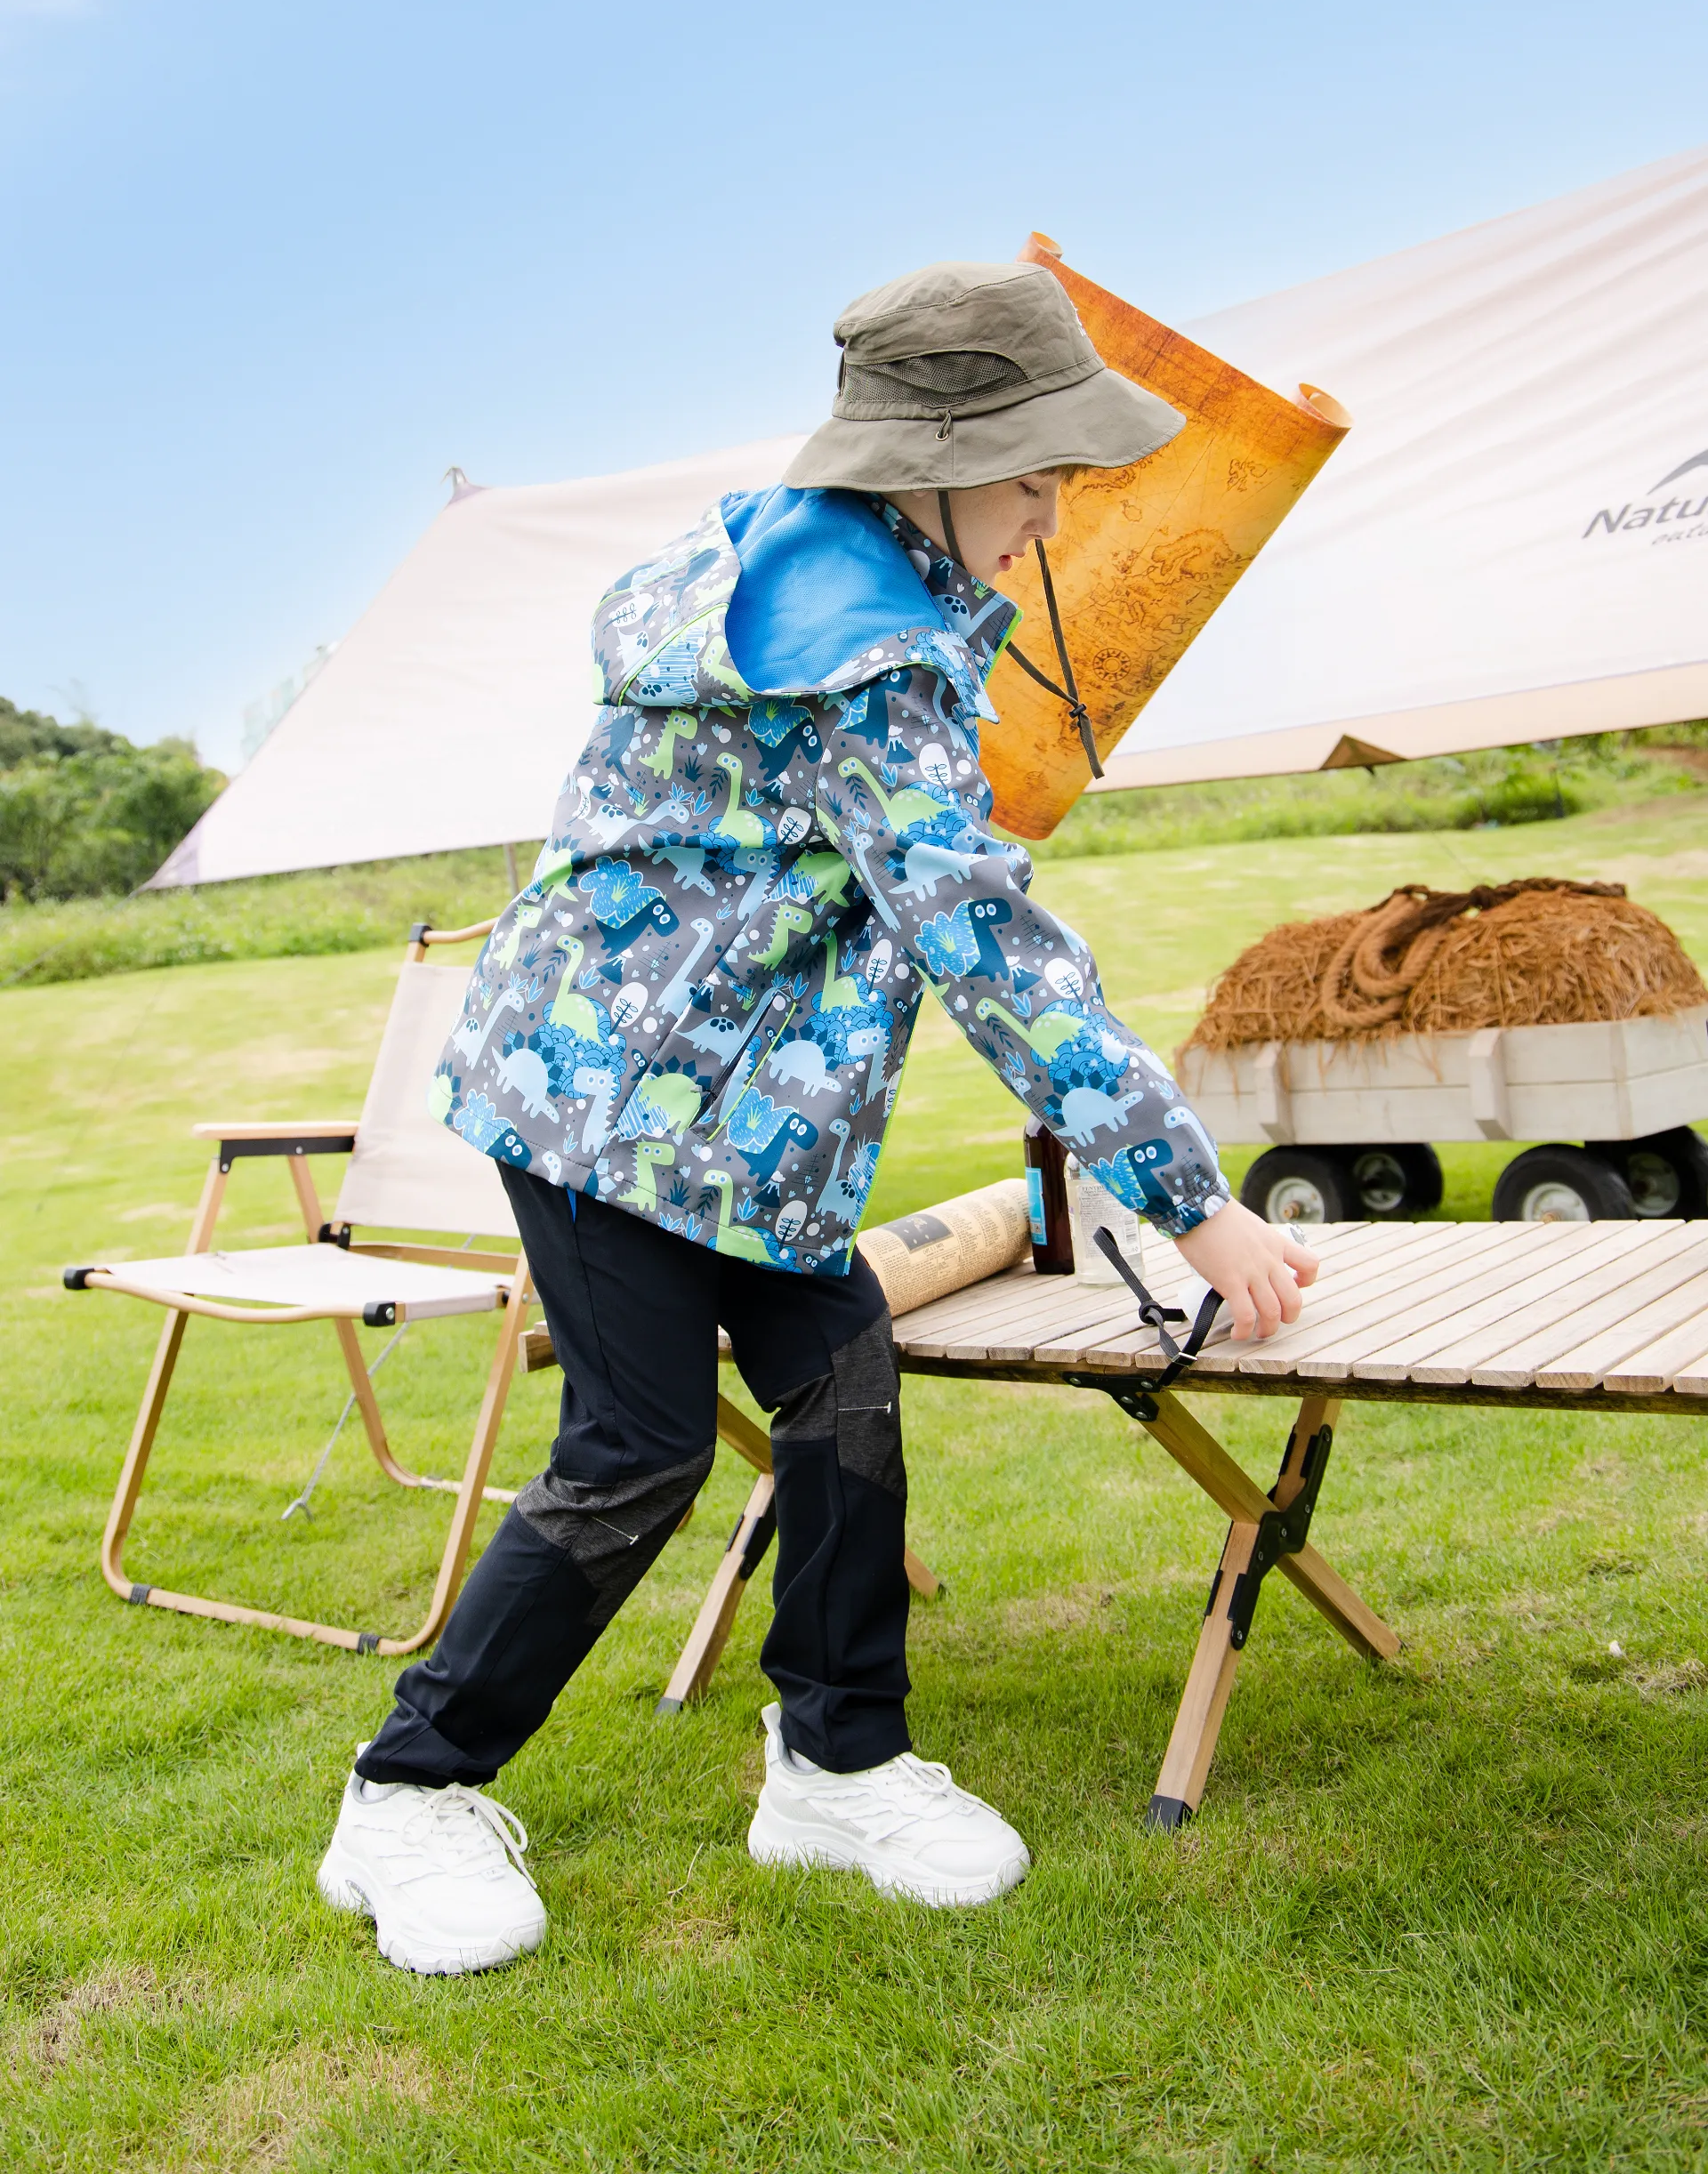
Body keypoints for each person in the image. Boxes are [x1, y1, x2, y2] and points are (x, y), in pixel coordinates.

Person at [318, 259, 1317, 1975]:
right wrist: (1191, 1201)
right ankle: (407, 1792)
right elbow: (982, 940)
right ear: (937, 459)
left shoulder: (795, 562)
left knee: (842, 1375)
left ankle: (839, 1764)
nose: (1051, 518)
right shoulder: (863, 651)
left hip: (737, 1120)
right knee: (636, 1447)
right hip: (603, 1107)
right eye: (1035, 478)